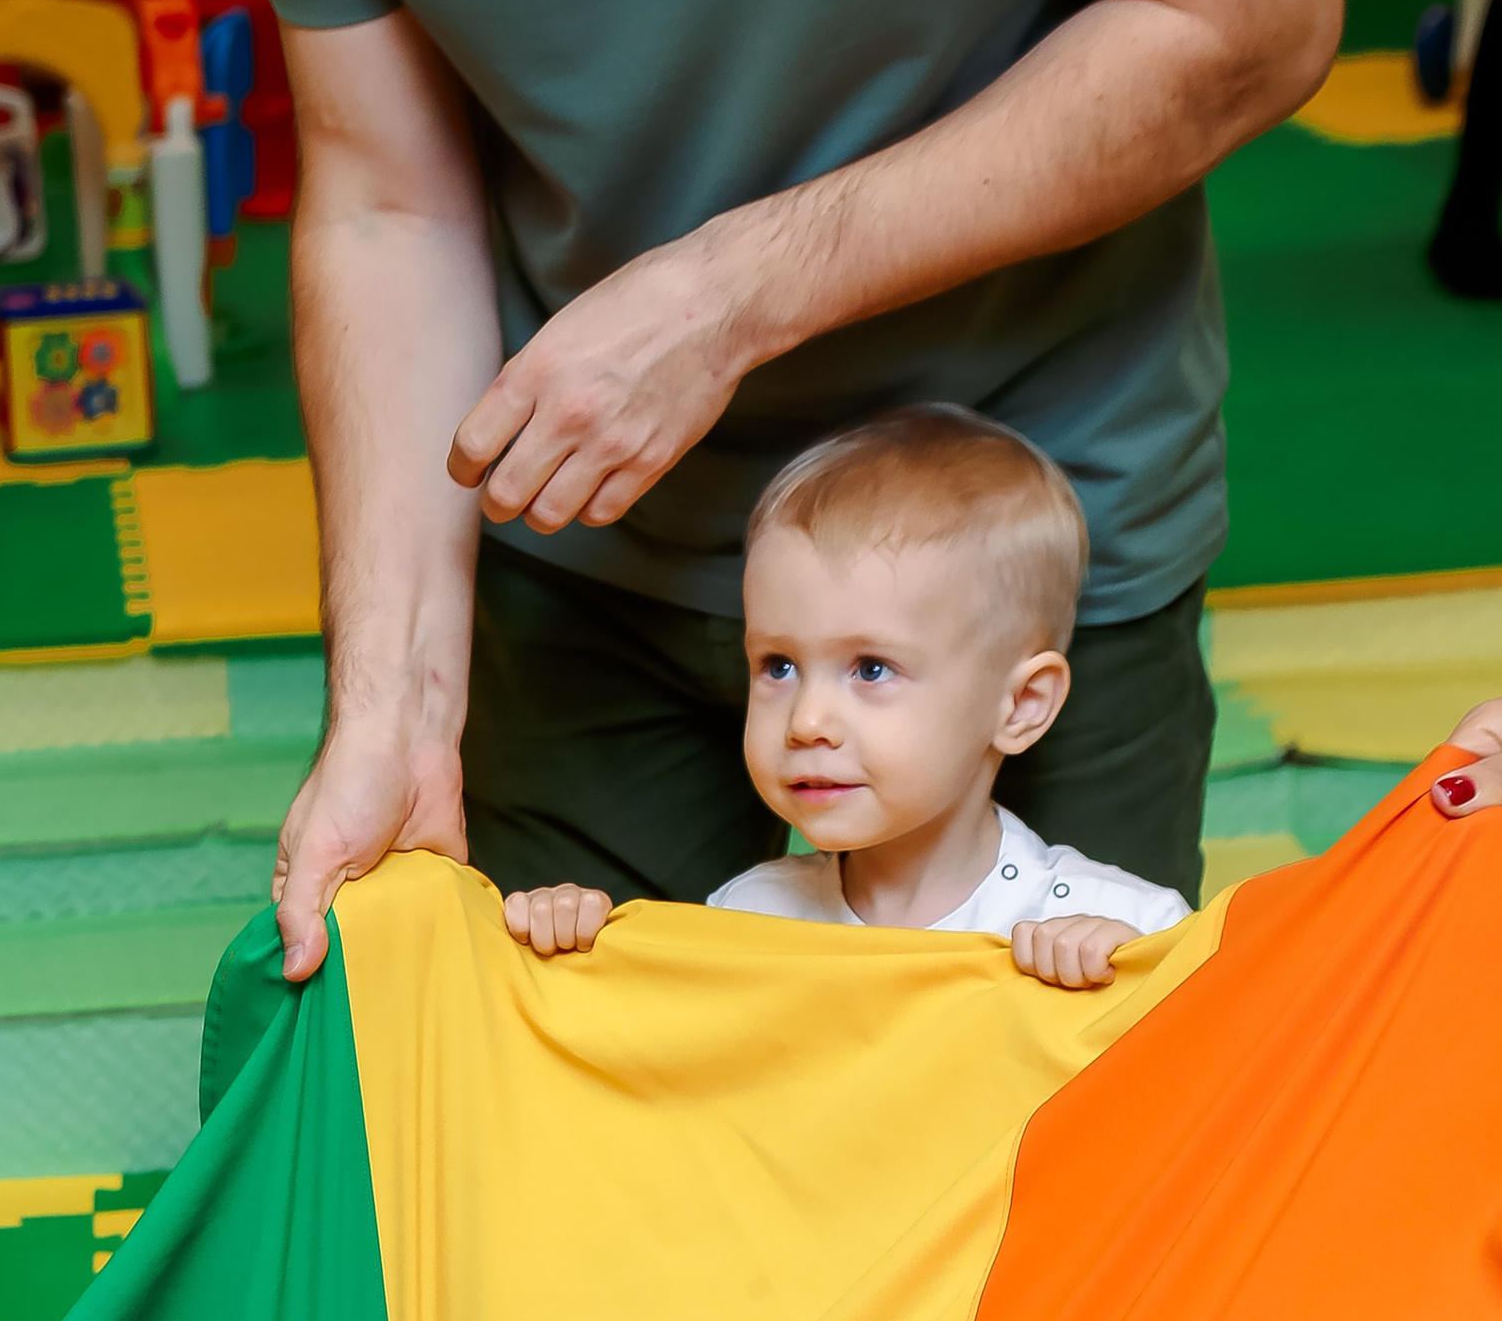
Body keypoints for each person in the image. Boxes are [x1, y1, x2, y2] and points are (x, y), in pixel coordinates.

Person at [239, 0, 1348, 968]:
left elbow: (1251, 15)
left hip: (1009, 529)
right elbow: (387, 200)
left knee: (1060, 1119)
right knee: (580, 1093)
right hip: (586, 520)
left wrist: (725, 297)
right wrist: (392, 713)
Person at [504, 409, 1192, 985]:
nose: (806, 722)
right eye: (778, 666)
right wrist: (576, 952)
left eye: (870, 669)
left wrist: (1133, 983)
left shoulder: (1128, 928)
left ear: (1022, 706)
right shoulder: (743, 922)